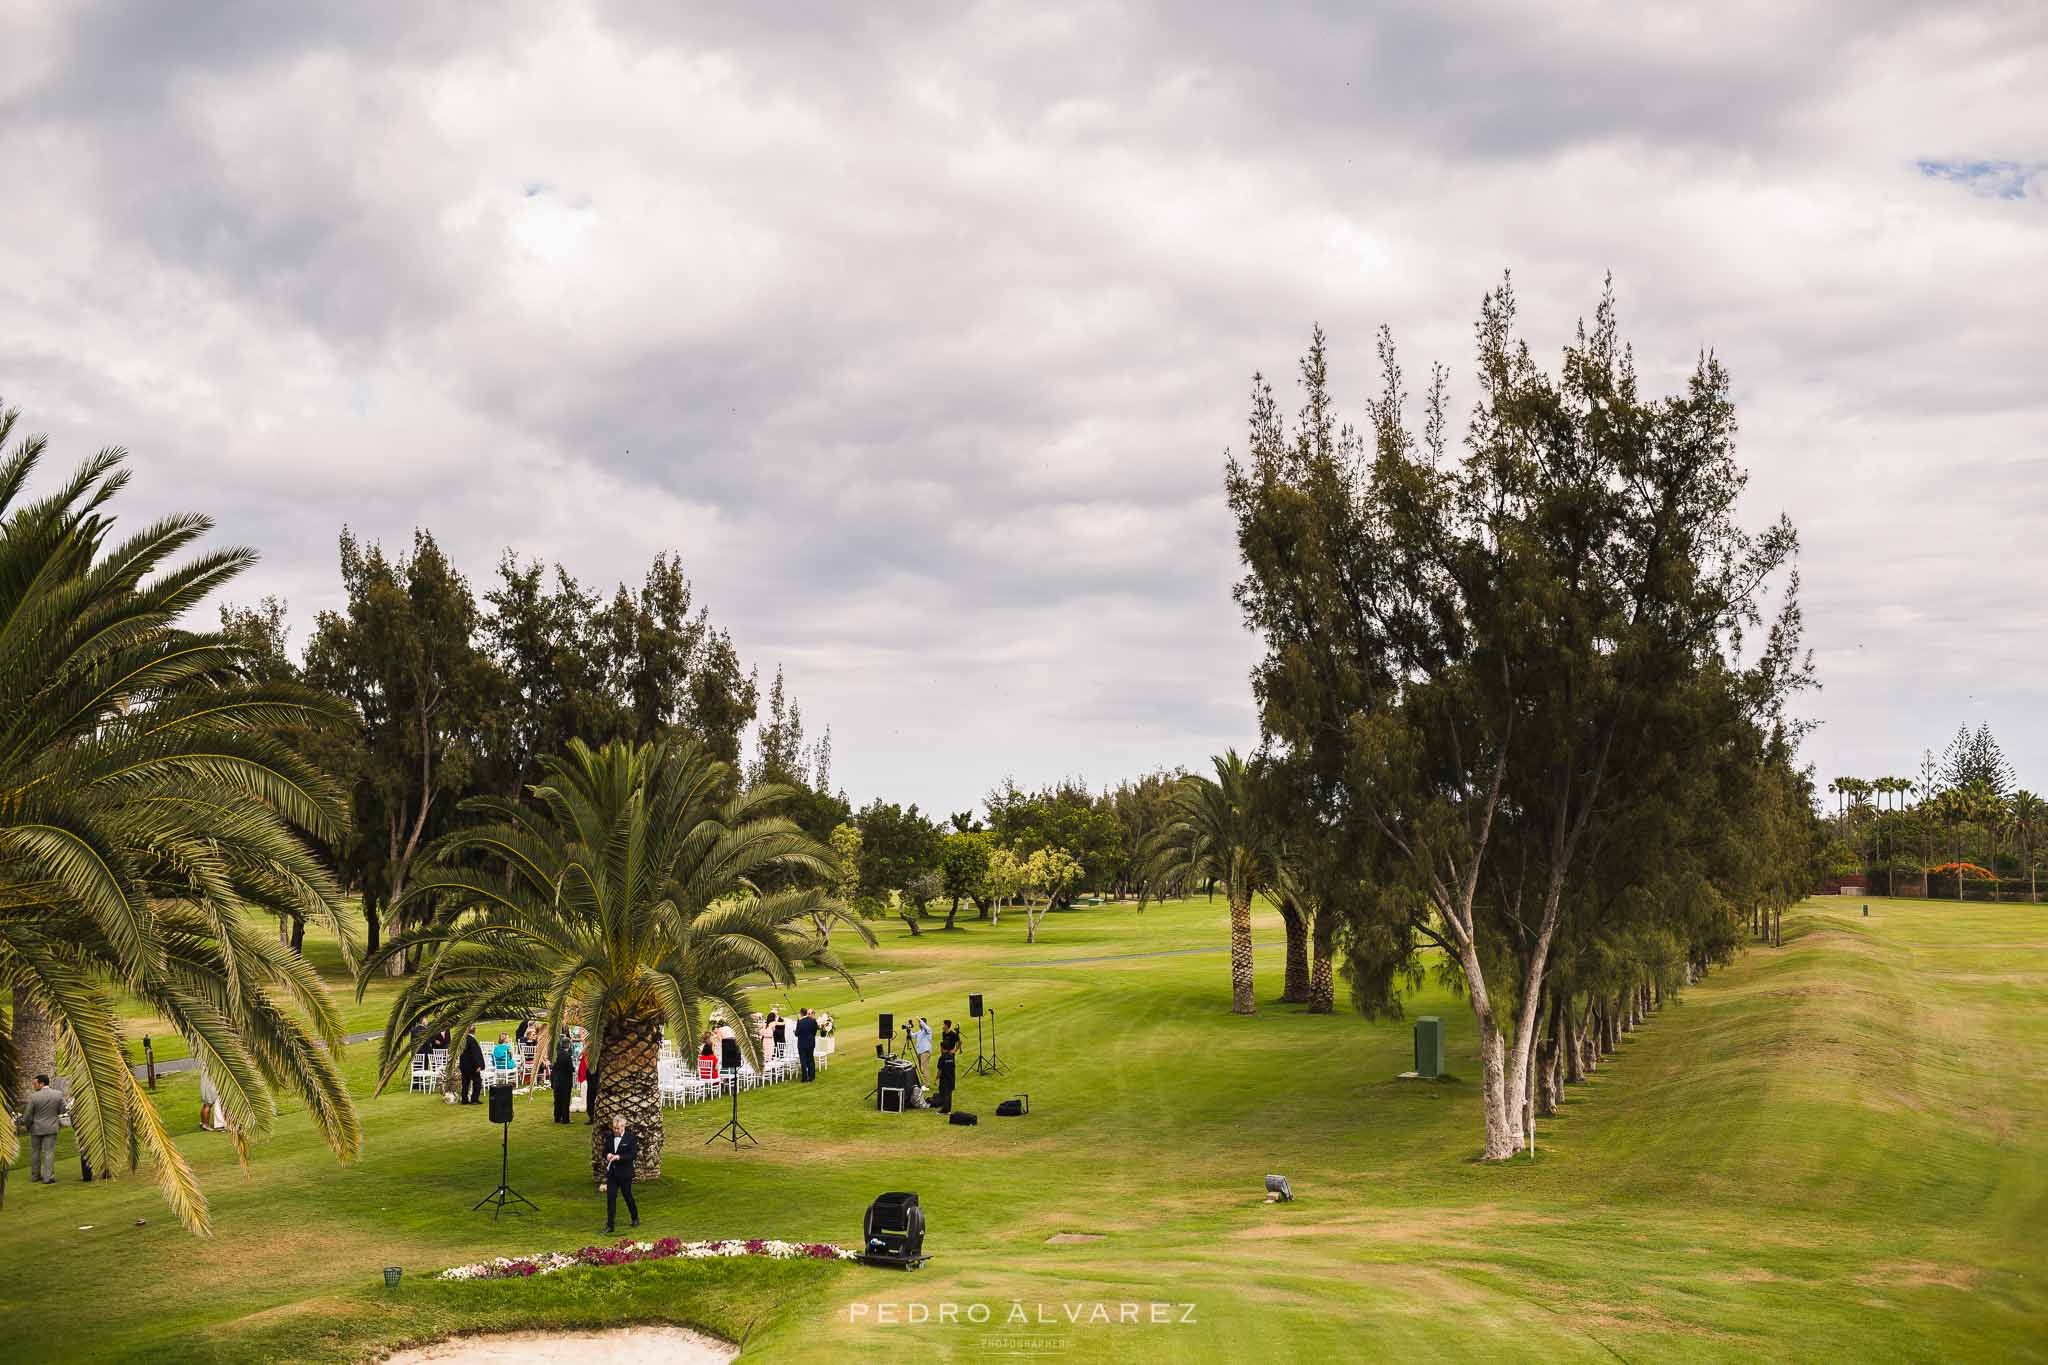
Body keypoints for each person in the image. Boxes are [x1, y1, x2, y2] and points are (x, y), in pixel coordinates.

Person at [602, 1115, 639, 1234]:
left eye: (618, 1128)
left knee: (627, 1196)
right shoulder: (609, 1137)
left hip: (625, 1173)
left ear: (624, 1126)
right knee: (610, 1198)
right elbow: (604, 1151)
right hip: (612, 1173)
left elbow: (632, 1155)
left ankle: (634, 1217)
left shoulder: (630, 1138)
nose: (616, 1130)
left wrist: (619, 1157)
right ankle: (610, 1225)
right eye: (614, 1128)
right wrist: (607, 1155)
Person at [24, 1075, 65, 1184]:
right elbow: (62, 1110)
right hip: (51, 1127)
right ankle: (48, 1177)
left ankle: (35, 1176)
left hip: (36, 1128)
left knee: (35, 1152)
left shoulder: (34, 1097)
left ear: (42, 1083)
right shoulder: (58, 1094)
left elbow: (27, 1115)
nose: (33, 1086)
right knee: (49, 1152)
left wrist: (28, 1126)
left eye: (35, 1083)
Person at [936, 1018, 960, 1113]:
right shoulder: (943, 1034)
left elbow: (959, 1042)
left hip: (949, 1055)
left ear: (947, 1025)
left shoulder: (953, 1034)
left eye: (943, 1024)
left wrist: (954, 1051)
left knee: (947, 1073)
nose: (942, 1026)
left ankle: (945, 1107)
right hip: (945, 1054)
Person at [552, 1038, 575, 1123]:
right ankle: (565, 1118)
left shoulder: (556, 1055)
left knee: (557, 1099)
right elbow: (570, 1068)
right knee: (565, 1100)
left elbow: (553, 1066)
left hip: (557, 1080)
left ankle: (557, 1117)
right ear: (568, 1045)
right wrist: (573, 1068)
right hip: (565, 1080)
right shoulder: (567, 1056)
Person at [459, 1029, 485, 1105]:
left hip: (464, 1065)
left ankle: (464, 1099)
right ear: (474, 1031)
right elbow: (475, 1054)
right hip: (472, 1066)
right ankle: (474, 1099)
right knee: (477, 1082)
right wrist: (478, 1065)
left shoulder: (462, 1040)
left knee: (465, 1083)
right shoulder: (472, 1040)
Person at [795, 1007, 819, 1082]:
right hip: (811, 1043)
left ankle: (804, 1078)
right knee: (810, 1060)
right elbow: (814, 1032)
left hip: (802, 1044)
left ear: (801, 1013)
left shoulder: (800, 1021)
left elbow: (797, 1033)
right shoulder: (813, 1021)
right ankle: (812, 1077)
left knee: (803, 1061)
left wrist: (795, 1031)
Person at [912, 1017, 934, 1084]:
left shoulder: (928, 1030)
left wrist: (920, 1020)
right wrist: (908, 1029)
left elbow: (925, 1027)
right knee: (922, 1069)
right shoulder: (919, 1032)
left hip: (925, 1052)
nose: (919, 1024)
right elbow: (912, 1035)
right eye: (919, 1023)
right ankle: (925, 1082)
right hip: (920, 1053)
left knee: (924, 1068)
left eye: (920, 1023)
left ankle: (926, 1085)